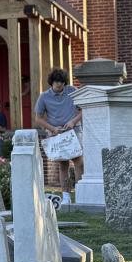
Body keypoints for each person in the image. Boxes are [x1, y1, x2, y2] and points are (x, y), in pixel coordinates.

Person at [35, 68, 83, 204]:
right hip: (57, 133)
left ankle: (80, 193)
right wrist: (52, 129)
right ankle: (66, 196)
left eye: (62, 82)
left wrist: (73, 121)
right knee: (63, 165)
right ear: (51, 82)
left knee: (79, 162)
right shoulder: (44, 97)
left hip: (74, 131)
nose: (59, 85)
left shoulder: (72, 91)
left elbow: (84, 109)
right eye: (57, 82)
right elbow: (38, 118)